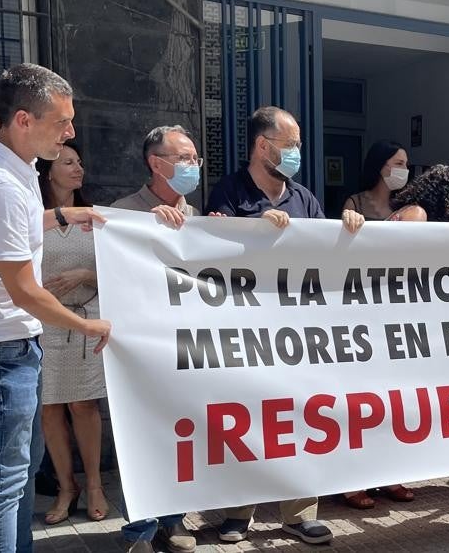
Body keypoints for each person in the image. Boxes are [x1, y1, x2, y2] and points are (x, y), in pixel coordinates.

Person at [0, 63, 111, 553]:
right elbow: (25, 291)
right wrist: (86, 323)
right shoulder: (0, 183)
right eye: (62, 122)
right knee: (3, 481)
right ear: (24, 122)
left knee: (16, 471)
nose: (71, 132)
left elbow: (11, 227)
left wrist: (62, 214)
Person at [205, 106, 333, 545]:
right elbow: (210, 253)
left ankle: (299, 514)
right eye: (291, 144)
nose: (297, 152)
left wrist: (349, 228)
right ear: (264, 146)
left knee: (300, 417)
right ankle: (239, 514)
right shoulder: (228, 192)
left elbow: (328, 255)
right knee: (246, 419)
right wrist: (251, 227)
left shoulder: (305, 199)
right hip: (247, 330)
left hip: (298, 330)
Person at [338, 164, 449, 509]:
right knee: (371, 404)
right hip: (384, 321)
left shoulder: (409, 212)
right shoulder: (415, 216)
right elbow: (408, 263)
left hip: (392, 322)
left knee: (390, 406)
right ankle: (354, 481)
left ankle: (386, 477)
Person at [110, 125, 201, 553]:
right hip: (142, 349)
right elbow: (117, 277)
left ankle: (173, 519)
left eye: (195, 159)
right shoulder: (122, 213)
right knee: (142, 437)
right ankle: (138, 531)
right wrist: (149, 230)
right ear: (155, 163)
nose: (192, 166)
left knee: (182, 437)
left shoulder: (199, 216)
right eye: (183, 159)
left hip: (188, 348)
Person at [33, 142, 109, 525]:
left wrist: (86, 275)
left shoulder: (95, 218)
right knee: (49, 408)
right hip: (41, 321)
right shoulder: (33, 216)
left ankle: (94, 484)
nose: (77, 168)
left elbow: (120, 268)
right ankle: (66, 486)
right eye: (67, 163)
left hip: (88, 316)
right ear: (48, 171)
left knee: (84, 404)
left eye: (79, 161)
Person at [342, 140, 408, 220]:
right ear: (380, 165)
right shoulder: (355, 204)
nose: (405, 169)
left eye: (406, 164)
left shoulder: (405, 206)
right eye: (399, 164)